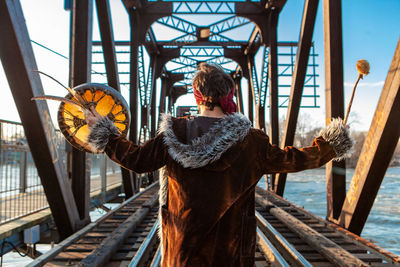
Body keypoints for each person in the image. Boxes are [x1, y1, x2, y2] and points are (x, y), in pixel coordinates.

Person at [84, 63, 353, 267]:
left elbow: (136, 160)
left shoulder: (172, 135)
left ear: (197, 96)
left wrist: (105, 134)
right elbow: (294, 160)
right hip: (231, 252)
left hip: (182, 250)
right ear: (229, 95)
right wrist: (330, 145)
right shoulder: (251, 142)